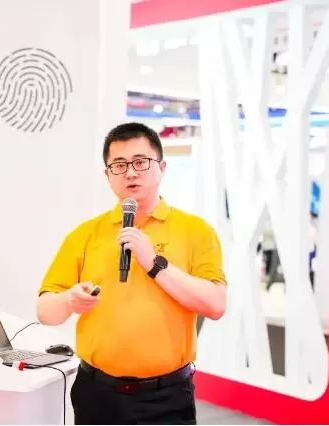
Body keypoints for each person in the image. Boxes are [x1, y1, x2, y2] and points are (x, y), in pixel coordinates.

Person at [36, 122, 227, 425]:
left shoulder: (196, 231)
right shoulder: (84, 235)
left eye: (141, 162)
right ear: (107, 174)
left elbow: (215, 305)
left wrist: (154, 263)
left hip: (167, 397)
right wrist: (69, 300)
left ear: (162, 168)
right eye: (120, 165)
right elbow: (45, 311)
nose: (130, 173)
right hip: (96, 393)